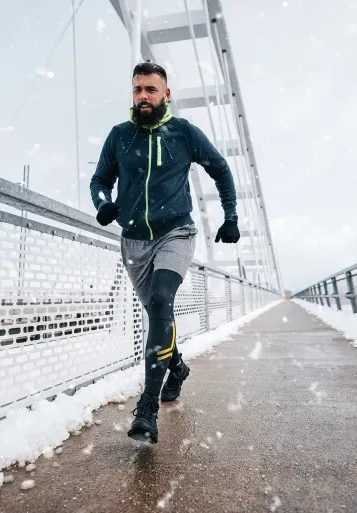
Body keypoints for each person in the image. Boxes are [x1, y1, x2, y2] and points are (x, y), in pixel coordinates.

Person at [90, 62, 240, 444]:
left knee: (160, 302)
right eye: (137, 89)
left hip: (176, 231)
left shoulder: (184, 132)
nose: (143, 96)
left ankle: (147, 408)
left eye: (151, 90)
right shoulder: (119, 136)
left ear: (166, 94)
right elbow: (100, 180)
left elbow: (221, 169)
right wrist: (103, 203)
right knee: (159, 314)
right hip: (134, 242)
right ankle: (177, 367)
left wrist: (231, 217)